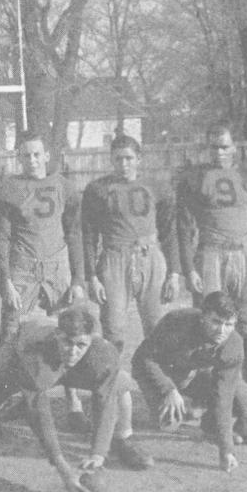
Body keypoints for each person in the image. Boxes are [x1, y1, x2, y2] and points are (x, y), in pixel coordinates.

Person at [0, 307, 154, 492]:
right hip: (21, 354)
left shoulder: (103, 353)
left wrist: (98, 453)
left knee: (120, 382)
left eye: (81, 345)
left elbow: (105, 399)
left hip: (63, 368)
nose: (73, 351)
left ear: (91, 340)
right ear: (57, 335)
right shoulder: (34, 356)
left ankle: (122, 439)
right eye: (68, 342)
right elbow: (39, 413)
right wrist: (63, 468)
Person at [0, 135, 89, 427]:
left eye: (36, 154)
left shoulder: (64, 187)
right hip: (22, 266)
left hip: (57, 267)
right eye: (25, 155)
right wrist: (4, 280)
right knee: (9, 333)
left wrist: (78, 278)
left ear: (47, 154)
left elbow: (74, 234)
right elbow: (1, 239)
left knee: (68, 331)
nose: (31, 161)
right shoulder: (8, 190)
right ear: (17, 157)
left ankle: (73, 402)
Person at [176, 123, 247, 382]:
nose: (219, 152)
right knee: (209, 322)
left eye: (224, 147)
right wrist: (188, 268)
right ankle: (207, 387)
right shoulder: (194, 179)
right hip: (211, 253)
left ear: (235, 147)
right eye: (213, 147)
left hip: (245, 253)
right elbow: (184, 228)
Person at [132, 292, 247, 473]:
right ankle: (185, 406)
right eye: (216, 321)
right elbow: (142, 359)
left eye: (229, 324)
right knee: (168, 424)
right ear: (202, 317)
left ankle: (209, 426)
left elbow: (223, 396)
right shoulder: (177, 323)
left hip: (193, 373)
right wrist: (168, 389)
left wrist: (226, 450)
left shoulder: (233, 344)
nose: (221, 330)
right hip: (161, 372)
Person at [81, 135, 180, 352]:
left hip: (150, 257)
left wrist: (174, 272)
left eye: (128, 158)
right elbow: (88, 236)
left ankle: (156, 381)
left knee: (156, 326)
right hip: (115, 257)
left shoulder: (156, 187)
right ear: (111, 160)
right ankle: (112, 381)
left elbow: (169, 232)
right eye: (118, 159)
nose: (123, 164)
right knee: (113, 327)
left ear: (139, 159)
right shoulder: (97, 189)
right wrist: (92, 277)